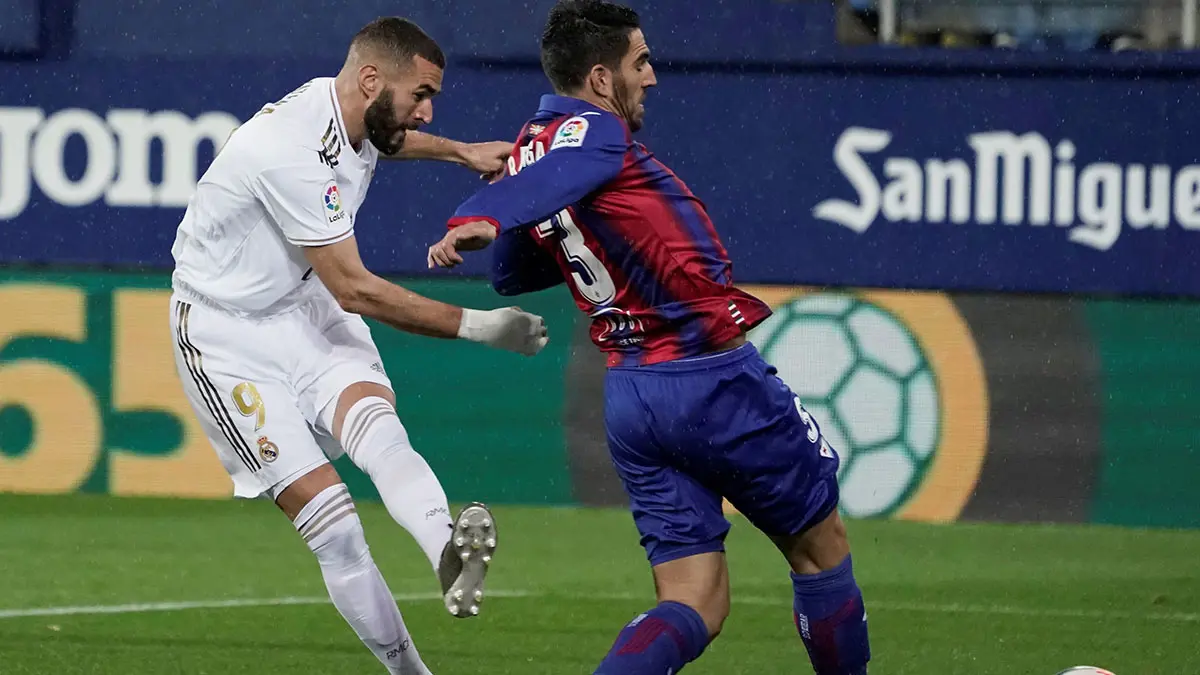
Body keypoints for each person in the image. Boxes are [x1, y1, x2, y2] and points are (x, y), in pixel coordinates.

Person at [425, 2, 871, 673]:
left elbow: (512, 275)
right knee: (819, 546)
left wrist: (509, 203)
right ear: (601, 79)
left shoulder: (533, 145)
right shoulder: (594, 133)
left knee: (695, 598)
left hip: (634, 396)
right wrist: (482, 212)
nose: (653, 77)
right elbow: (551, 189)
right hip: (711, 378)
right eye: (641, 62)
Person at [169, 17, 548, 675]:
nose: (426, 110)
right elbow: (358, 291)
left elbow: (386, 140)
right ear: (372, 78)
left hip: (301, 303)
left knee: (382, 435)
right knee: (337, 529)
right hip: (225, 337)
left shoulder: (347, 109)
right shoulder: (286, 148)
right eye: (421, 93)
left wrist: (458, 151)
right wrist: (484, 327)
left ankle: (446, 554)